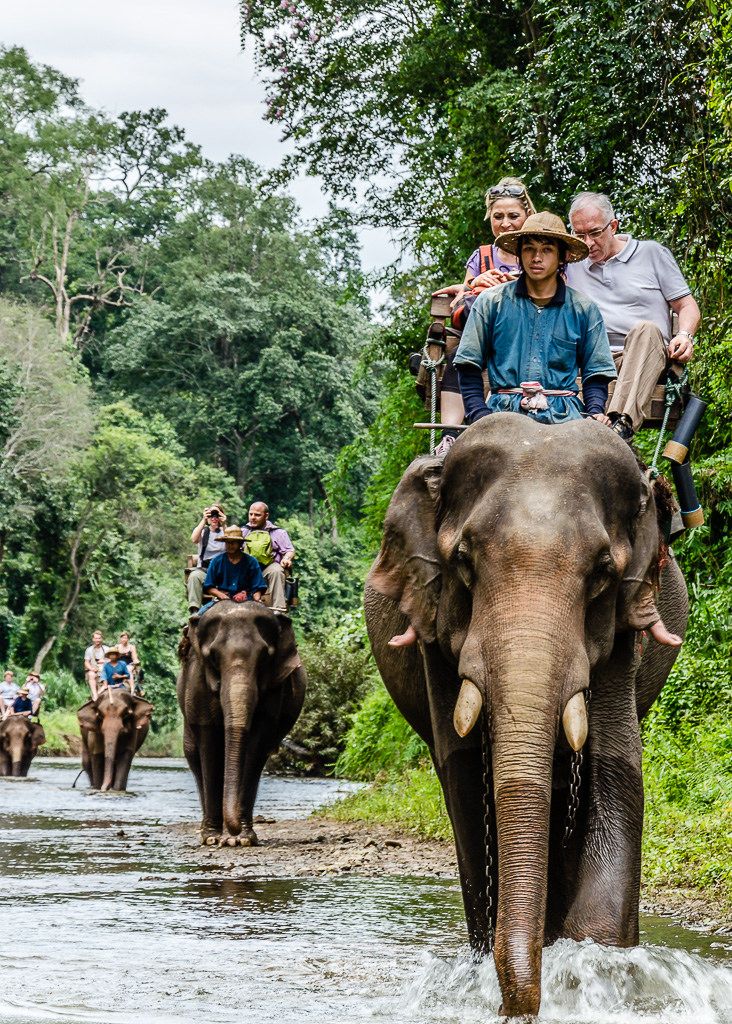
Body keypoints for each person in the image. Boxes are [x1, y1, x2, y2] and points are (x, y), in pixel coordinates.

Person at [566, 192, 701, 442]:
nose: (587, 242)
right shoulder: (571, 264)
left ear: (613, 226)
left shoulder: (651, 253)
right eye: (579, 235)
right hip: (596, 361)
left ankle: (621, 424)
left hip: (646, 356)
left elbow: (686, 305)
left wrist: (684, 335)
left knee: (645, 329)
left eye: (594, 232)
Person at [431, 177, 538, 457]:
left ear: (527, 215)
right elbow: (465, 295)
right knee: (460, 353)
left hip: (527, 335)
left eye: (513, 216)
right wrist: (478, 281)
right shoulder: (482, 255)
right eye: (498, 216)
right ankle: (449, 434)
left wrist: (507, 283)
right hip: (483, 336)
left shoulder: (538, 251)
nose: (505, 223)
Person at [198, 526, 268, 616]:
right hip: (222, 599)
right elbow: (209, 586)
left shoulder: (251, 561)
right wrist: (223, 596)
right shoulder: (216, 561)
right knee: (197, 618)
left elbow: (258, 587)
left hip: (247, 599)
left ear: (240, 544)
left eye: (233, 543)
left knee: (268, 621)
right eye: (227, 543)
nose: (230, 545)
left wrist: (257, 600)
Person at [241, 502, 295, 614]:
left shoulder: (278, 532)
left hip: (268, 567)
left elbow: (290, 550)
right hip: (247, 569)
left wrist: (286, 558)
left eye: (257, 515)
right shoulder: (243, 531)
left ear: (266, 516)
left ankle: (278, 609)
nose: (253, 518)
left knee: (276, 571)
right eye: (251, 514)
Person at [187, 505, 227, 613]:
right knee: (194, 576)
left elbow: (232, 543)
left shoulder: (225, 531)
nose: (214, 518)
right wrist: (203, 520)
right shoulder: (203, 531)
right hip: (205, 570)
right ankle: (194, 610)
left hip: (223, 571)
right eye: (211, 515)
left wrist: (224, 522)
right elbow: (194, 539)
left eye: (216, 515)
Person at [84, 631, 108, 700]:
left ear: (102, 639)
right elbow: (86, 662)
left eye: (99, 638)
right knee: (91, 674)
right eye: (96, 638)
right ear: (93, 639)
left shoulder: (107, 649)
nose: (97, 640)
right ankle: (95, 695)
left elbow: (112, 660)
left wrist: (104, 661)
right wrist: (91, 668)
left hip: (105, 669)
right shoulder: (89, 650)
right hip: (95, 670)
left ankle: (104, 687)